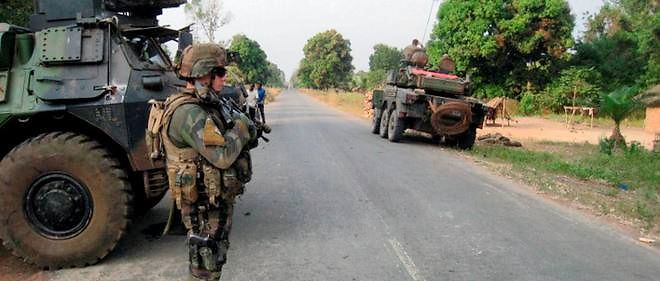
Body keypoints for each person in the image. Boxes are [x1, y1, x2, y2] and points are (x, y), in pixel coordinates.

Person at [147, 43, 257, 281]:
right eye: (218, 73)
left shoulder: (207, 103)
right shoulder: (188, 112)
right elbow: (223, 155)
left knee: (213, 262)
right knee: (204, 269)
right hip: (203, 208)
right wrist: (242, 127)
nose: (223, 78)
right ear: (201, 75)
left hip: (212, 202)